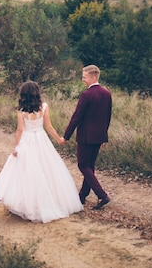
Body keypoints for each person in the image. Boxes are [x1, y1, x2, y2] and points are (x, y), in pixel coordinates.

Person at [0, 81, 83, 223]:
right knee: (47, 169)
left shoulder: (21, 110)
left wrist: (15, 147)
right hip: (41, 139)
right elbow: (49, 127)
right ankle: (50, 201)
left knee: (26, 172)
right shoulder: (44, 107)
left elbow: (20, 130)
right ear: (37, 93)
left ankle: (27, 205)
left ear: (23, 94)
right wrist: (59, 139)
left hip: (27, 140)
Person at [61, 65, 112, 210]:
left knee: (83, 165)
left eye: (84, 77)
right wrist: (104, 136)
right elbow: (107, 117)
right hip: (99, 135)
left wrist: (66, 136)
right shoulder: (106, 93)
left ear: (93, 77)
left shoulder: (86, 95)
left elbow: (77, 116)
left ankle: (102, 195)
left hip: (86, 136)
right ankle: (82, 196)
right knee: (90, 166)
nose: (83, 80)